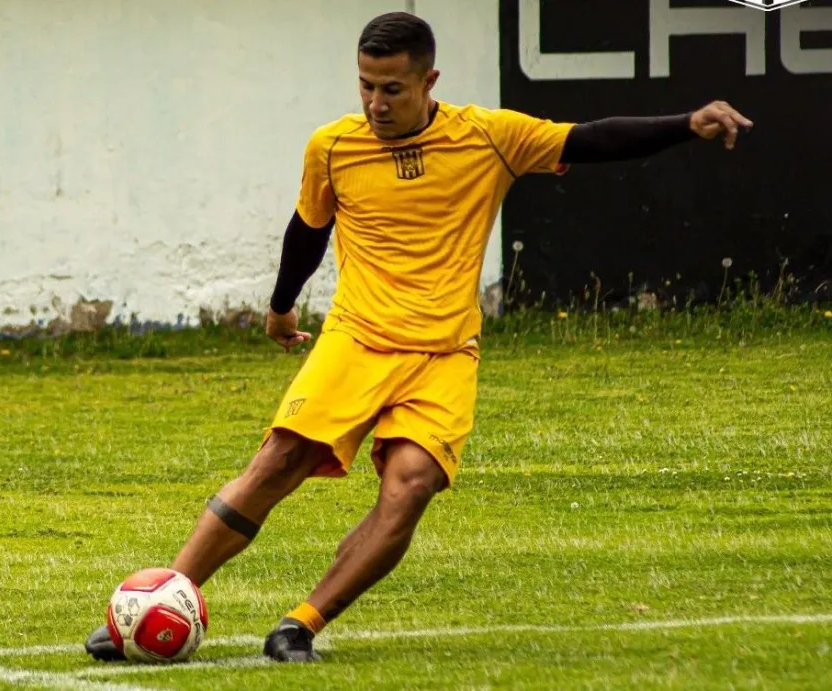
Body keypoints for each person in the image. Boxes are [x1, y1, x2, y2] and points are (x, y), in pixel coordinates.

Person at [85, 11, 752, 663]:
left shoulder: (489, 136)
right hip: (356, 338)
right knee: (277, 461)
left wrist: (685, 125)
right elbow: (307, 231)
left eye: (392, 88)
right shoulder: (333, 146)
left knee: (409, 486)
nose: (376, 103)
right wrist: (282, 308)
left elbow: (590, 139)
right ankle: (158, 602)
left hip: (442, 354)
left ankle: (301, 624)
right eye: (365, 86)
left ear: (430, 80)